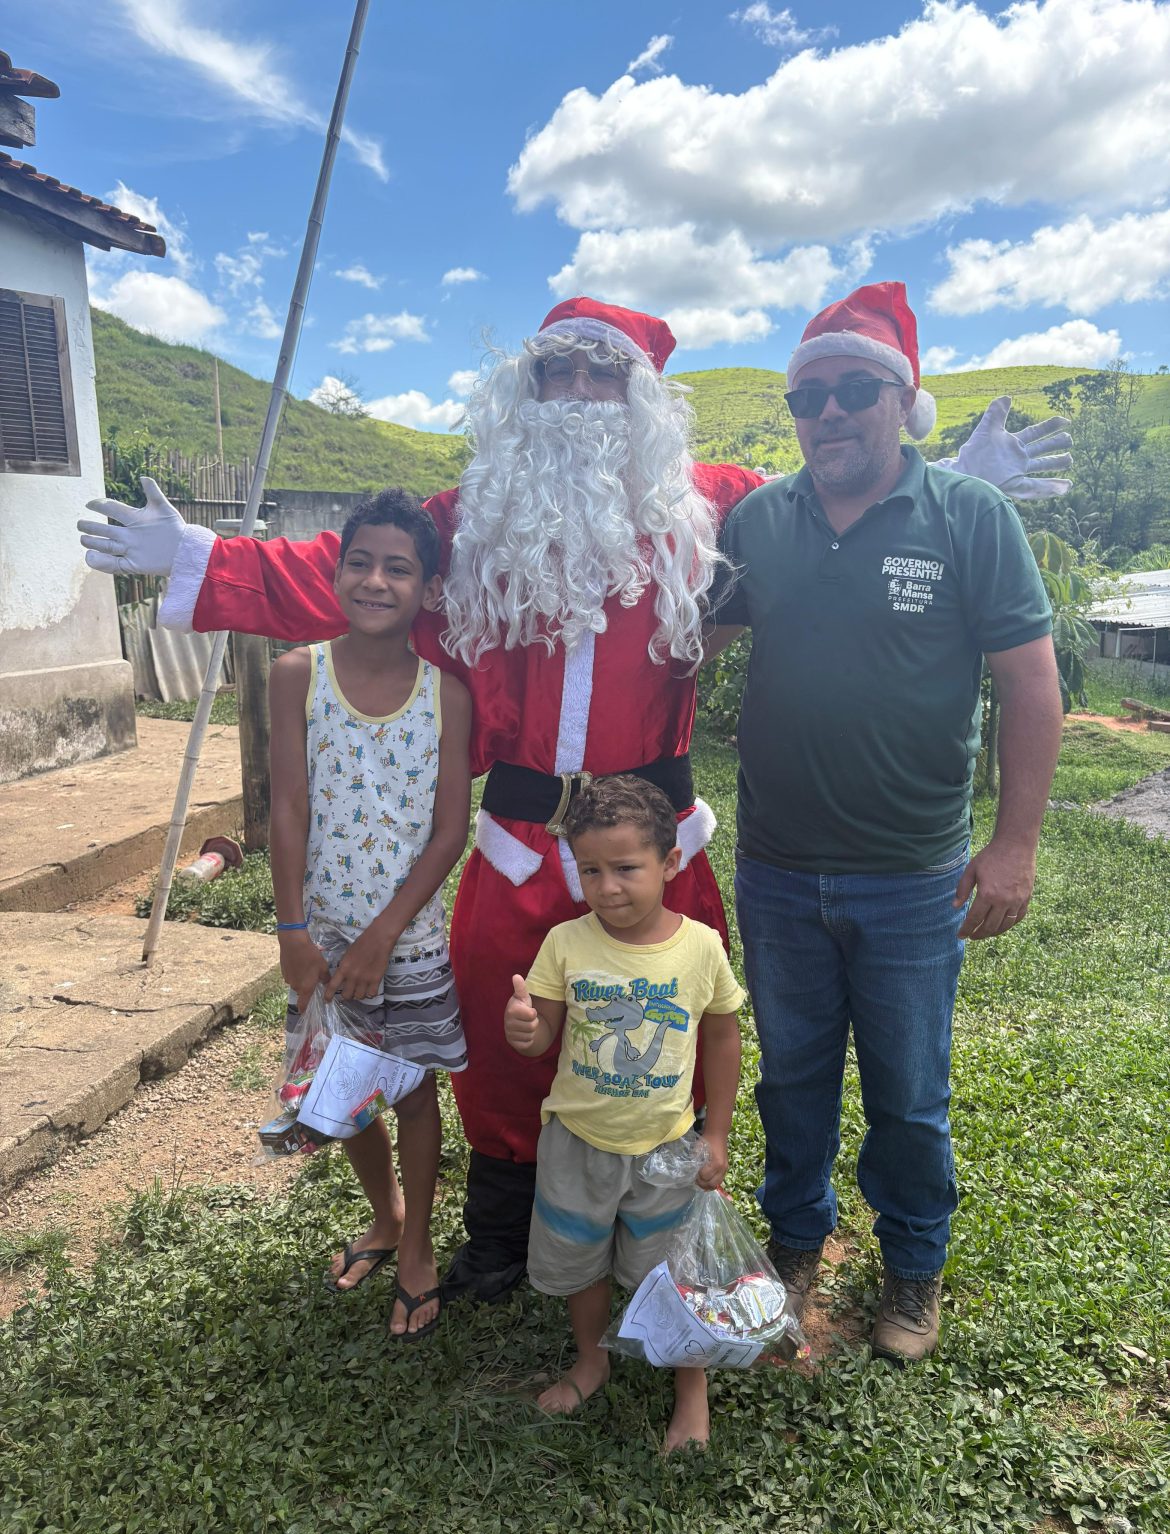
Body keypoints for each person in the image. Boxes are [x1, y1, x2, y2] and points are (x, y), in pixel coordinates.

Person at [77, 295, 1071, 1308]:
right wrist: (203, 557)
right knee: (503, 1033)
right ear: (531, 389)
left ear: (642, 399)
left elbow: (834, 493)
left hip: (655, 842)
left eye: (606, 377)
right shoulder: (477, 516)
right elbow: (355, 575)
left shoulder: (714, 504)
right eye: (561, 374)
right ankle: (505, 1235)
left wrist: (949, 481)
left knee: (661, 1027)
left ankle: (656, 1225)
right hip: (517, 843)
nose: (582, 396)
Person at [708, 282, 1065, 1362]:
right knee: (792, 1077)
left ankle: (913, 1270)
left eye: (852, 390)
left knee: (911, 1094)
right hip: (776, 866)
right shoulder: (759, 521)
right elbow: (684, 646)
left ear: (901, 403)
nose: (827, 414)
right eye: (805, 398)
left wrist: (1012, 846)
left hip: (913, 875)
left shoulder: (970, 518)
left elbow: (1032, 687)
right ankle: (798, 1244)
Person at [268, 487, 472, 1338]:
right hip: (326, 937)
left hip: (411, 940)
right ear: (337, 570)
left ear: (428, 590)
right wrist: (293, 934)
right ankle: (384, 1215)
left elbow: (450, 829)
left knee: (413, 1091)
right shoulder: (294, 674)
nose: (376, 580)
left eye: (399, 567)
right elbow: (286, 810)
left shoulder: (446, 695)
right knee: (345, 1087)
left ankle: (418, 1243)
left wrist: (387, 936)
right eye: (361, 562)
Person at [503, 774, 743, 1450]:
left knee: (674, 1273)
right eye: (590, 870)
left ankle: (690, 1389)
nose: (607, 886)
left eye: (626, 868)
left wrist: (715, 1133)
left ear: (670, 863)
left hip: (667, 1149)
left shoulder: (699, 947)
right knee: (580, 1264)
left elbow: (723, 1035)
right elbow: (542, 1031)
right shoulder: (566, 943)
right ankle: (592, 1358)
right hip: (577, 1145)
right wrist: (524, 1027)